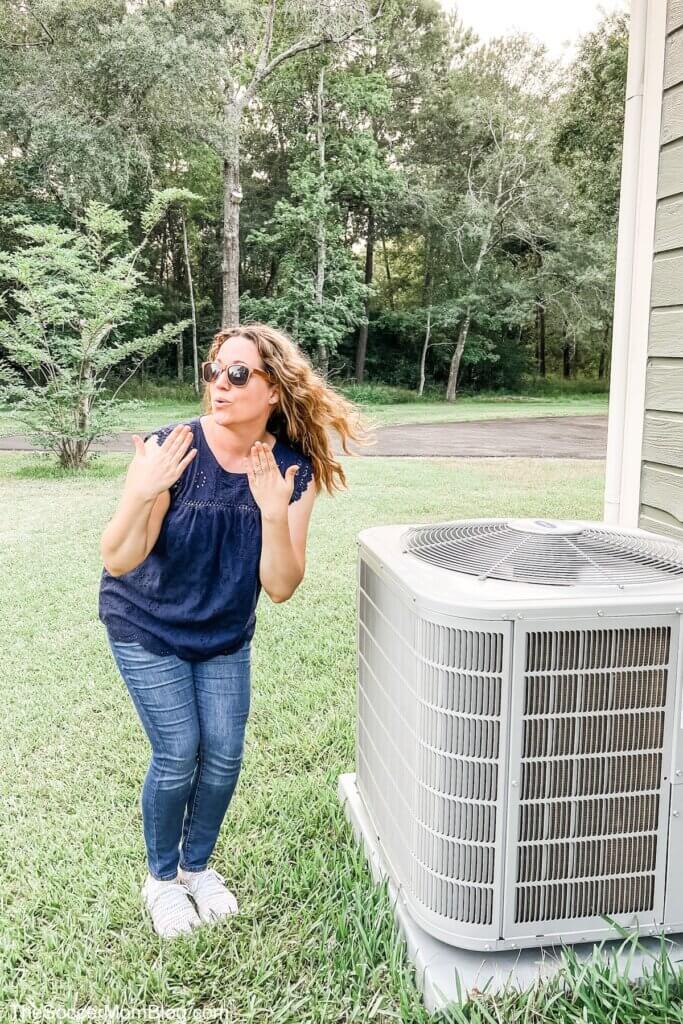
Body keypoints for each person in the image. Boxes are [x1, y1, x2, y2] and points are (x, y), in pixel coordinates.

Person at [98, 322, 374, 938]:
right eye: (214, 371)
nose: (219, 384)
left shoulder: (291, 471)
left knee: (222, 758)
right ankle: (162, 880)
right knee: (178, 753)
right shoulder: (174, 450)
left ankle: (197, 870)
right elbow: (117, 558)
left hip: (223, 632)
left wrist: (273, 511)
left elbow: (279, 585)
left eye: (238, 373)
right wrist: (141, 492)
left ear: (273, 388)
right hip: (146, 624)